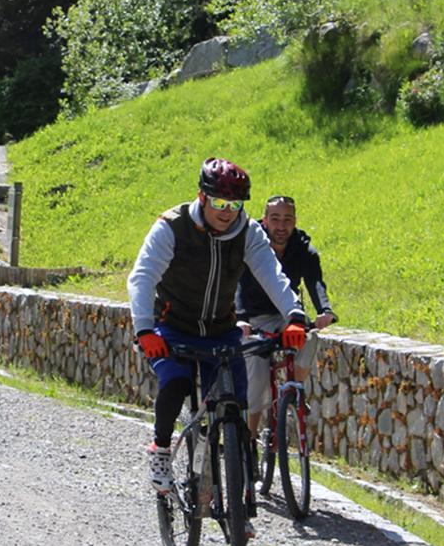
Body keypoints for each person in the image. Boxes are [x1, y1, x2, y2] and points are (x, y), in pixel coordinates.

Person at [126, 158, 307, 502]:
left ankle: (239, 503)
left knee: (233, 409)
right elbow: (142, 277)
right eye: (220, 204)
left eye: (235, 205)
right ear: (202, 197)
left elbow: (272, 273)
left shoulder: (249, 232)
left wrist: (294, 314)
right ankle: (161, 449)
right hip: (171, 327)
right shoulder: (172, 226)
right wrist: (144, 330)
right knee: (177, 382)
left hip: (221, 331)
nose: (227, 212)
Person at [235, 195, 337, 442]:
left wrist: (325, 310)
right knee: (257, 379)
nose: (281, 226)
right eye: (275, 219)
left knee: (309, 338)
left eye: (287, 220)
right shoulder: (251, 245)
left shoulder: (303, 248)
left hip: (287, 316)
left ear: (295, 221)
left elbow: (315, 282)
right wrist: (240, 318)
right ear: (265, 220)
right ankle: (249, 437)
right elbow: (237, 283)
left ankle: (294, 391)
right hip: (255, 319)